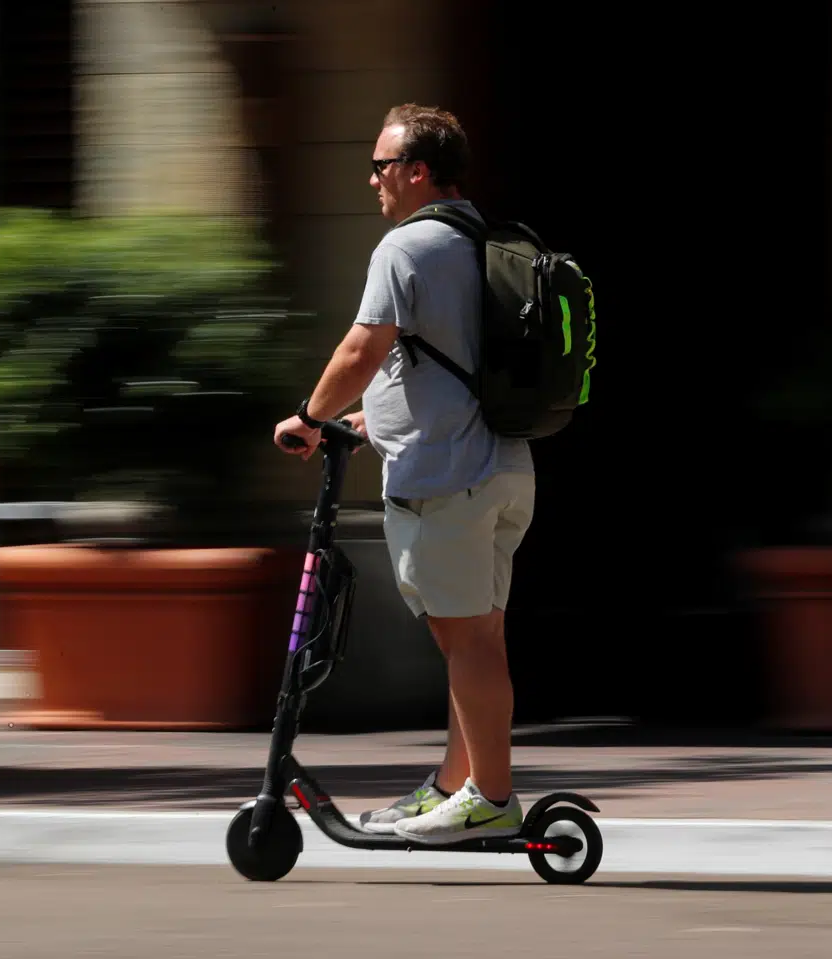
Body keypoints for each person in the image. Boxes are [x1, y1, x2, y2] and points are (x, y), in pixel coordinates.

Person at [271, 104, 534, 845]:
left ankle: (491, 794)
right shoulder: (481, 237)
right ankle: (455, 785)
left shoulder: (406, 246)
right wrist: (367, 423)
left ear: (417, 171)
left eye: (383, 166)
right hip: (501, 467)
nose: (374, 180)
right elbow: (440, 364)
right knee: (475, 638)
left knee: (469, 642)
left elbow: (364, 347)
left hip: (447, 477)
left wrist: (309, 415)